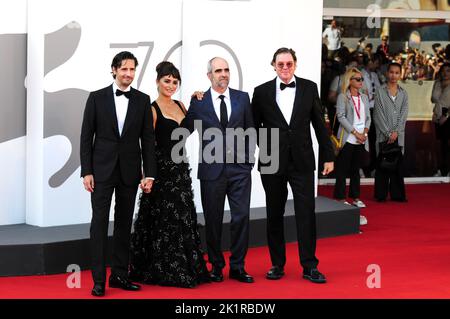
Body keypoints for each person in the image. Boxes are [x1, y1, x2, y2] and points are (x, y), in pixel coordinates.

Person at [252, 48, 334, 284]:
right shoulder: (261, 92)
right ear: (274, 66)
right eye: (280, 64)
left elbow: (319, 125)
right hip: (272, 161)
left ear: (295, 64)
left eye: (289, 64)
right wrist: (268, 148)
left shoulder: (309, 88)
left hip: (303, 161)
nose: (285, 68)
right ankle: (277, 264)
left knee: (306, 213)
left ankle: (309, 266)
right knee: (274, 214)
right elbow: (253, 125)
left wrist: (328, 156)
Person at [80, 51, 156, 297]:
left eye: (132, 69)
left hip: (130, 172)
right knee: (99, 224)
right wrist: (87, 170)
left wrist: (150, 174)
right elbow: (85, 137)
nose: (129, 74)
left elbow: (147, 139)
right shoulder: (96, 98)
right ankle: (99, 280)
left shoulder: (143, 100)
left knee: (124, 225)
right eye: (124, 69)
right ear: (113, 70)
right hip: (100, 171)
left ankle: (120, 276)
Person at [128, 62, 210, 288]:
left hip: (181, 172)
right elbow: (147, 146)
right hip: (161, 174)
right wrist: (148, 176)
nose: (171, 85)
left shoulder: (182, 105)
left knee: (182, 220)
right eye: (167, 81)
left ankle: (184, 267)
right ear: (157, 82)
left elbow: (190, 127)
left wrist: (196, 100)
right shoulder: (152, 109)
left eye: (175, 82)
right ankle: (165, 270)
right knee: (163, 222)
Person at [183, 57, 256, 283]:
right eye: (218, 71)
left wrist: (248, 162)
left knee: (241, 217)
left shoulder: (242, 98)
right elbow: (184, 131)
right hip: (211, 171)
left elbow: (250, 130)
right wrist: (183, 104)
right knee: (213, 220)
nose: (223, 74)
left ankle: (238, 266)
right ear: (209, 76)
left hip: (239, 170)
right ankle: (216, 266)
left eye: (226, 70)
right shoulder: (199, 102)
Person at [333, 68, 371, 226]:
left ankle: (355, 197)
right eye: (357, 79)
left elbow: (368, 116)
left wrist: (365, 133)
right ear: (350, 81)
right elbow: (341, 116)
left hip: (362, 138)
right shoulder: (343, 97)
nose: (361, 82)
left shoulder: (363, 97)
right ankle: (341, 197)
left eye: (361, 79)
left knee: (356, 169)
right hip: (348, 137)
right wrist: (355, 132)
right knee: (342, 168)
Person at [373, 62, 409, 202]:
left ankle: (398, 195)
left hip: (398, 137)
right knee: (382, 165)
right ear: (387, 73)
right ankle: (380, 195)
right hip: (383, 136)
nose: (394, 75)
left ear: (400, 75)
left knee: (397, 167)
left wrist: (396, 133)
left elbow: (404, 114)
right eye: (391, 72)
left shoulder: (404, 93)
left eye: (397, 73)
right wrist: (389, 133)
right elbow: (378, 115)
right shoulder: (380, 92)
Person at [431, 63, 450, 177]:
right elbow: (433, 99)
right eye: (443, 70)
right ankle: (442, 170)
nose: (445, 73)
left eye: (448, 70)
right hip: (438, 116)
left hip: (448, 116)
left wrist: (446, 115)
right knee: (441, 145)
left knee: (448, 144)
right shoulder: (437, 83)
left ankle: (447, 169)